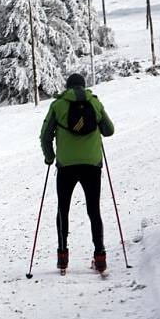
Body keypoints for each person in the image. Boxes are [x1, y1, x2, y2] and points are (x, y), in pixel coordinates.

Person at [40, 73, 115, 273]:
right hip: (92, 164)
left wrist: (50, 157)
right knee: (94, 210)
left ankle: (62, 257)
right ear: (83, 86)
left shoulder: (58, 105)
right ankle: (100, 257)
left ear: (67, 86)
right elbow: (109, 130)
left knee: (62, 209)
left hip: (66, 166)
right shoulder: (95, 103)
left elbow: (45, 135)